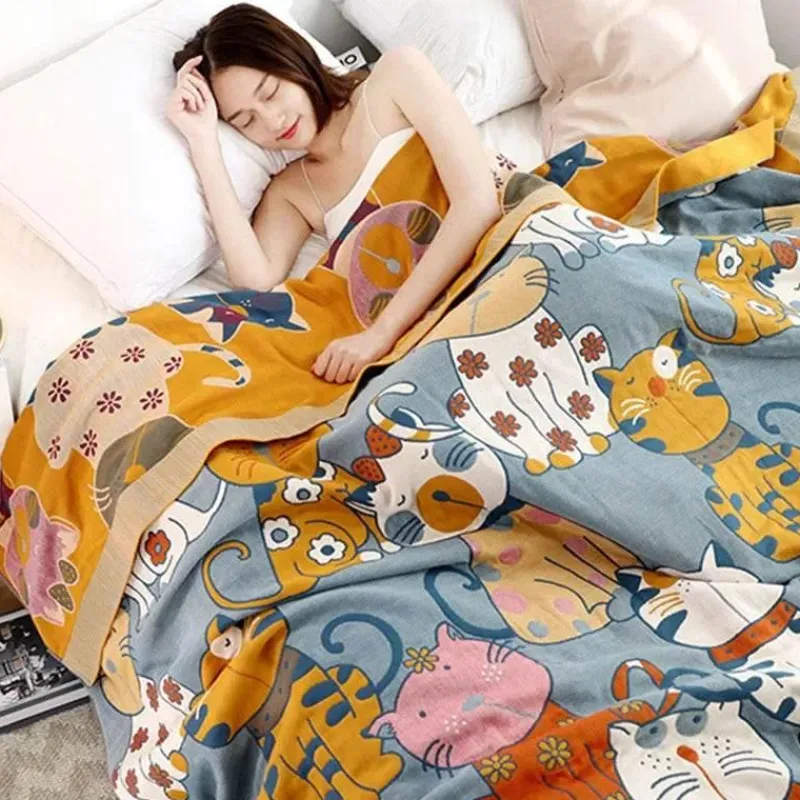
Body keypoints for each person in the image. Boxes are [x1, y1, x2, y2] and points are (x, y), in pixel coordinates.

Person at [167, 3, 500, 384]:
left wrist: (380, 335)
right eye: (247, 121)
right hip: (433, 331)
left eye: (271, 92)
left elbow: (479, 204)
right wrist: (203, 143)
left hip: (503, 255)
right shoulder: (292, 191)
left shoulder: (395, 77)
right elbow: (253, 283)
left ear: (294, 58)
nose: (272, 121)